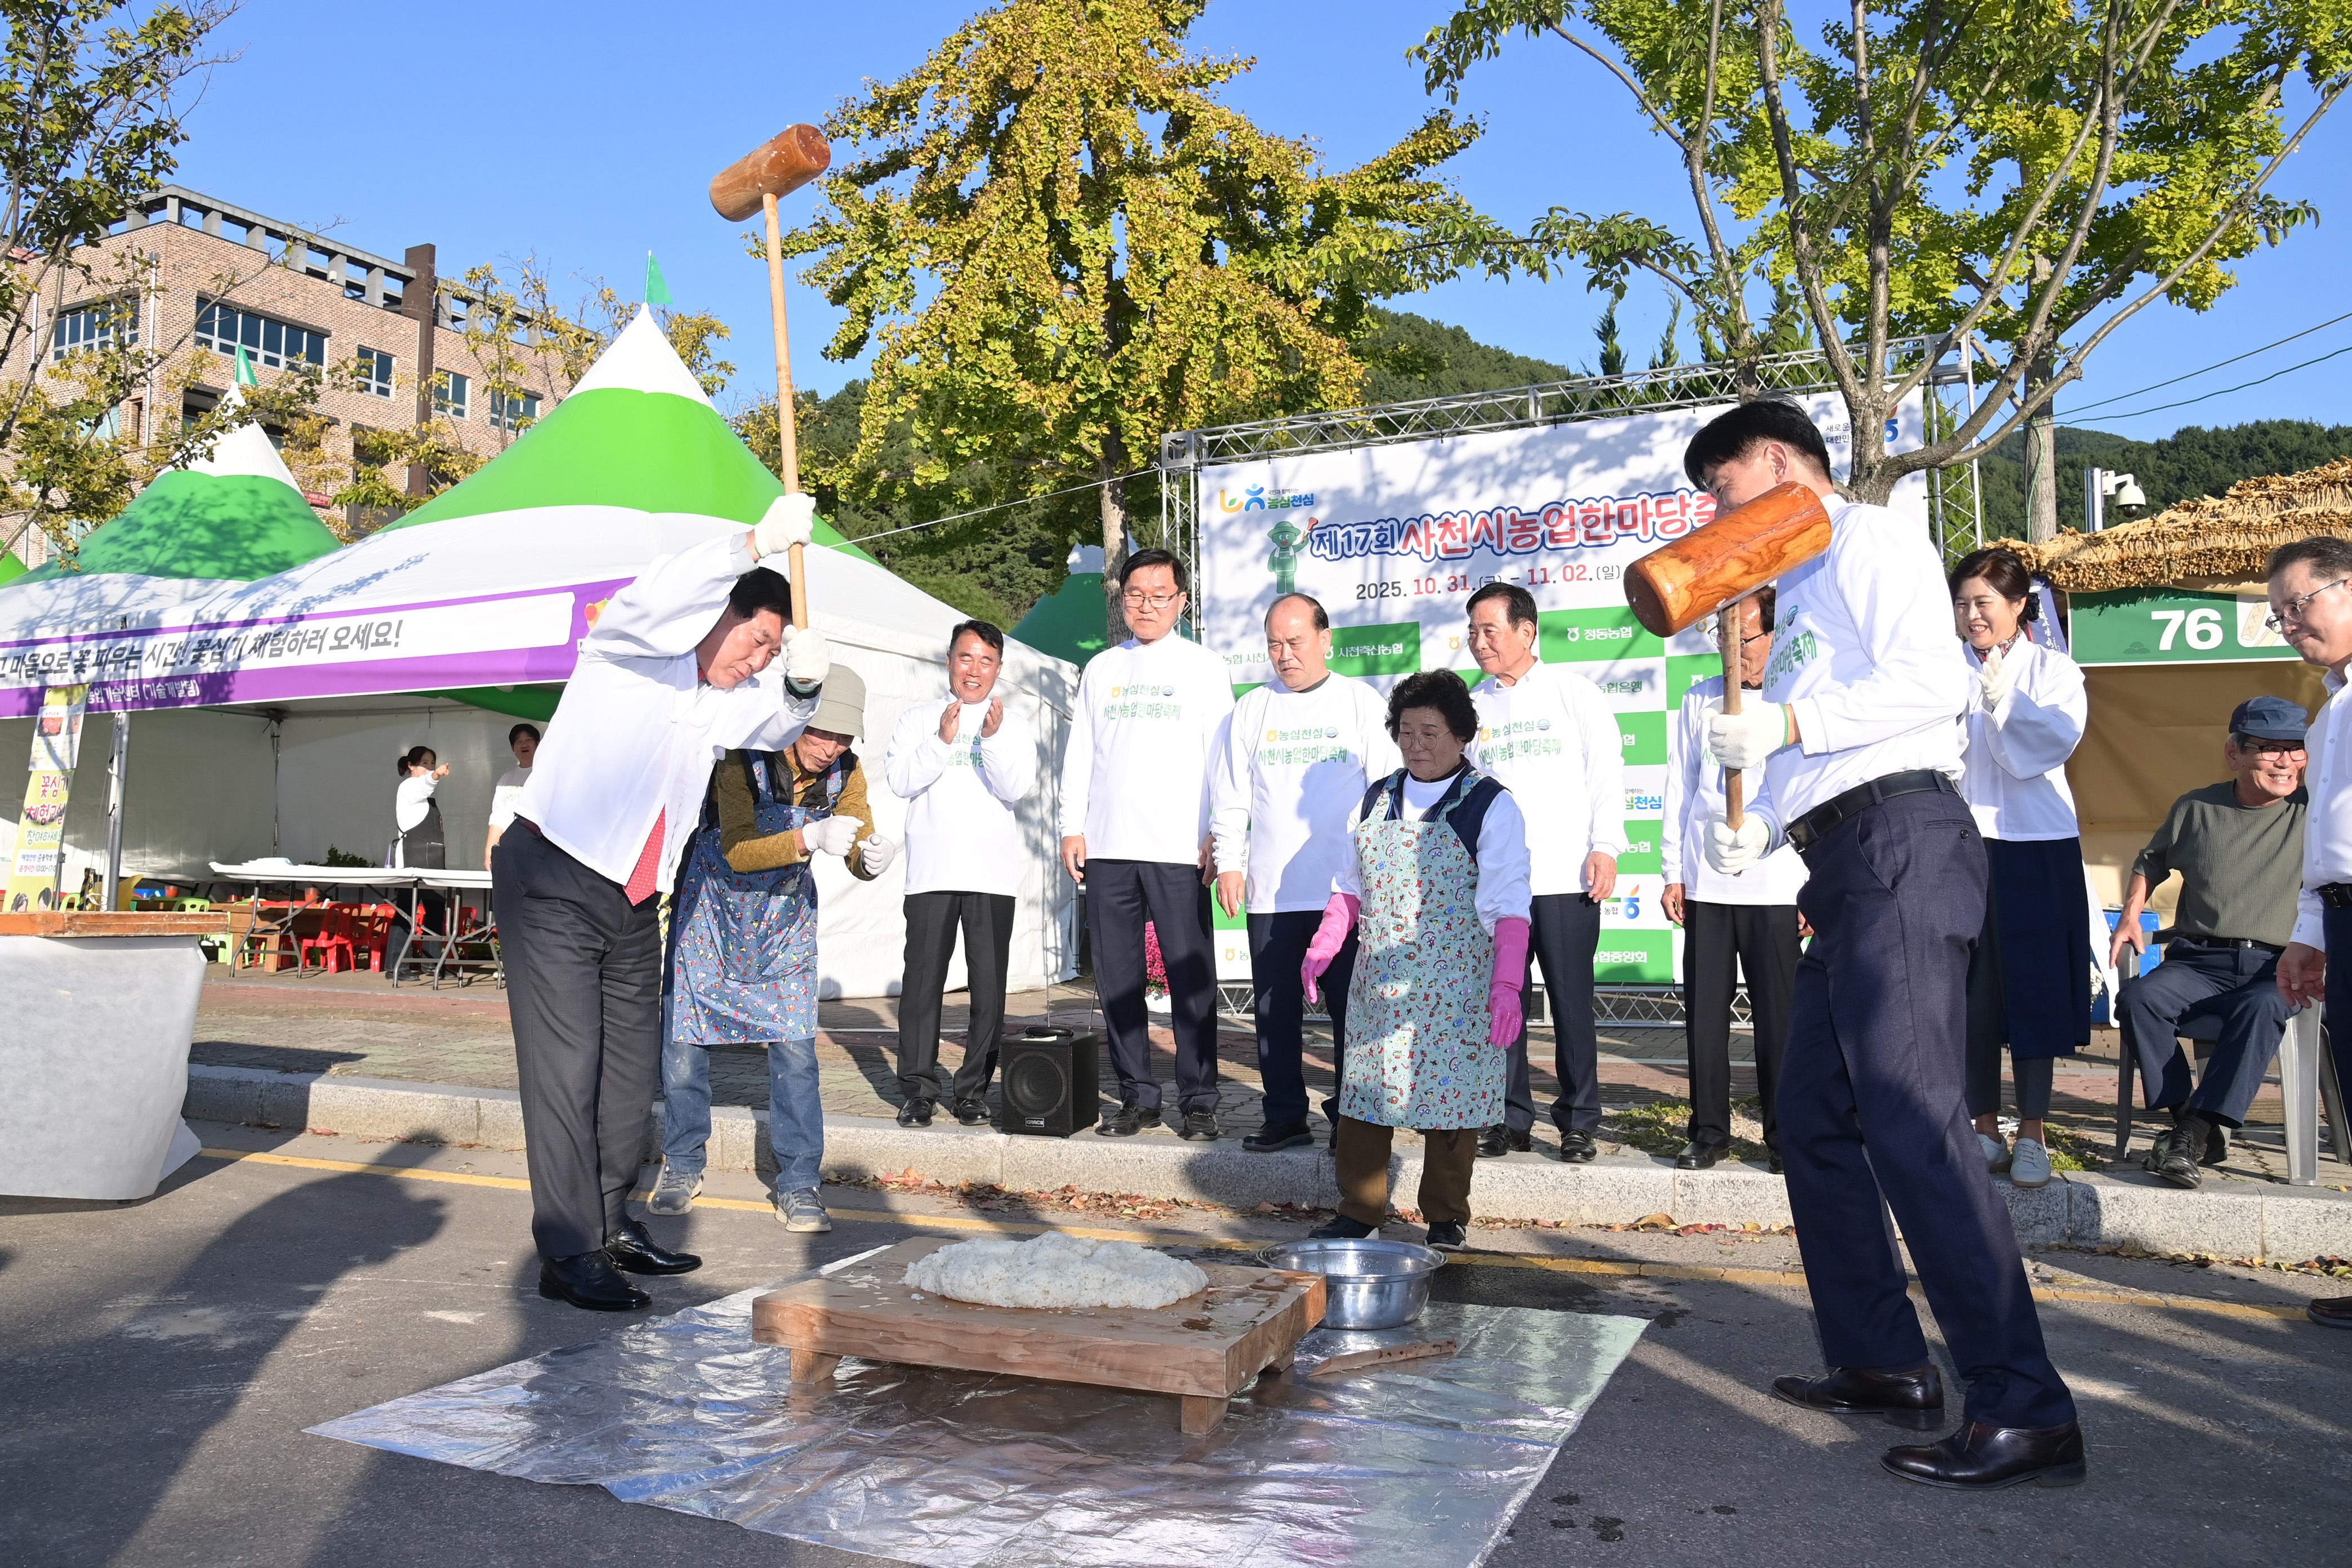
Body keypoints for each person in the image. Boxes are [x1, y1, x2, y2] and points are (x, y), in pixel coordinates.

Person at [1695, 399, 2081, 1489]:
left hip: (1905, 843)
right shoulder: (1804, 584)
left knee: (1917, 1118)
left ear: (1776, 463)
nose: (1714, 515)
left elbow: (1927, 685)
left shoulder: (1869, 541)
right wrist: (1762, 816)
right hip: (1844, 859)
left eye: (1720, 489)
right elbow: (1824, 731)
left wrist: (1788, 724)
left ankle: (2024, 1403)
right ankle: (1879, 1357)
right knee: (1813, 1114)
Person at [498, 495, 830, 1312]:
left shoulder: (716, 705)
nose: (755, 660)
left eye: (769, 650)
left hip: (634, 895)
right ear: (718, 616)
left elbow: (775, 720)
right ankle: (568, 1250)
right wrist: (754, 541)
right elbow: (660, 589)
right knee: (566, 1070)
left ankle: (610, 1222)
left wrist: (803, 684)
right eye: (757, 640)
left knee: (627, 1074)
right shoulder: (627, 651)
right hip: (554, 875)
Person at [647, 666, 895, 1232]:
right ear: (798, 720)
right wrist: (809, 837)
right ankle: (683, 1162)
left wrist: (868, 860)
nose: (829, 749)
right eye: (820, 734)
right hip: (711, 914)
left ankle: (801, 1182)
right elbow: (736, 848)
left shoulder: (845, 775)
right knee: (685, 1043)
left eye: (842, 738)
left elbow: (857, 842)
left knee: (795, 1052)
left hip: (784, 928)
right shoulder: (742, 758)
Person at [1302, 670, 1531, 1253]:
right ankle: (1360, 1208)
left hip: (1458, 981)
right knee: (1365, 1096)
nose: (1416, 745)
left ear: (1461, 736)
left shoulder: (1489, 805)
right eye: (1405, 732)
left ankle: (1446, 1216)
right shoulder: (1377, 798)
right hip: (1380, 979)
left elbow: (1510, 903)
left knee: (1452, 1101)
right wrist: (1326, 942)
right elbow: (1349, 886)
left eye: (1430, 732)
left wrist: (1507, 983)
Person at [1058, 547, 1236, 1139]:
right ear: (1122, 598)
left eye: (1161, 595)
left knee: (1190, 978)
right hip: (1109, 846)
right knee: (1118, 979)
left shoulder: (1205, 668)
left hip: (1180, 846)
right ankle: (1137, 1095)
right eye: (1136, 594)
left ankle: (1200, 1098)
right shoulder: (1103, 668)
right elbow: (1080, 751)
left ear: (1182, 602)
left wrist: (1218, 833)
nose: (1148, 605)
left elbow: (1224, 761)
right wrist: (1071, 825)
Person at [1210, 593, 1398, 1152]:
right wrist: (1229, 863)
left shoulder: (1361, 703)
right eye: (1273, 644)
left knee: (1352, 1013)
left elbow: (1388, 793)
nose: (1284, 654)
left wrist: (1378, 876)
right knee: (1274, 1012)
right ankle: (1285, 1114)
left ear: (1325, 639)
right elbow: (1231, 796)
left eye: (1295, 641)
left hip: (1345, 892)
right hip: (1273, 892)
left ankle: (1351, 1116)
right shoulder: (1251, 709)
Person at [2109, 696, 2306, 1190]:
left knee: (2263, 1007)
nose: (2285, 761)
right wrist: (2131, 913)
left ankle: (2191, 1133)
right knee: (2138, 1000)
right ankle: (2193, 1125)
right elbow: (2151, 860)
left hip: (2279, 966)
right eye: (2268, 749)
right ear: (2233, 753)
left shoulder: (2316, 812)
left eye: (2295, 749)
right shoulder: (2197, 807)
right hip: (2200, 960)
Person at [1463, 580, 1624, 1161]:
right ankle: (1509, 1118)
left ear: (1526, 631)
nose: (1479, 642)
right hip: (1501, 887)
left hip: (1564, 878)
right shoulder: (1472, 709)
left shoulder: (1573, 694)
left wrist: (1605, 846)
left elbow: (1605, 772)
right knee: (1502, 1001)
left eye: (1490, 630)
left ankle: (1579, 1119)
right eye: (1473, 632)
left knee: (1571, 1002)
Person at [1950, 547, 2091, 1192]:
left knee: (2034, 987)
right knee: (1972, 991)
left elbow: (2048, 745)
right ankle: (1982, 1125)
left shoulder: (2056, 672)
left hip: (2037, 843)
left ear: (2017, 606)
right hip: (1963, 842)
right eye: (1962, 603)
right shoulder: (1941, 670)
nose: (1972, 615)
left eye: (1984, 602)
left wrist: (2006, 700)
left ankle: (2033, 1131)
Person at [1661, 589, 1805, 1173]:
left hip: (1777, 883)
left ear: (1773, 636)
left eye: (1742, 638)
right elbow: (1679, 787)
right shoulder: (1700, 700)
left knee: (1781, 1018)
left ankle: (1785, 1134)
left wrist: (1813, 885)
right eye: (1723, 639)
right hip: (1709, 881)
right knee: (1705, 1015)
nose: (1732, 651)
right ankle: (1709, 1131)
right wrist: (1674, 872)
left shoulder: (1793, 700)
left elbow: (1811, 795)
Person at [884, 620, 1037, 1128]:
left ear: (999, 668)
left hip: (989, 876)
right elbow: (902, 781)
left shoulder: (1012, 723)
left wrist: (988, 739)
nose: (974, 670)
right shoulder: (918, 719)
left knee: (988, 989)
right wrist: (942, 740)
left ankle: (972, 1090)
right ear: (949, 660)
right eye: (965, 658)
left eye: (986, 661)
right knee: (922, 985)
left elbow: (1015, 788)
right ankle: (919, 1090)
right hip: (930, 873)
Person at [2261, 536, 2352, 1331]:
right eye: (2279, 613)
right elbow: (2327, 843)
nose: (2291, 623)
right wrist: (2308, 933)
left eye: (2302, 603)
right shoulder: (2328, 713)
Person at [387, 745, 449, 975]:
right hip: (412, 859)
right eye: (424, 764)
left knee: (435, 912)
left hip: (433, 859)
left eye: (432, 764)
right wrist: (436, 775)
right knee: (406, 912)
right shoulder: (409, 787)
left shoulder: (426, 799)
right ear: (411, 766)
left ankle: (432, 965)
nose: (429, 768)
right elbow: (424, 787)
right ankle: (396, 966)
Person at [484, 723, 540, 863]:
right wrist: (489, 851)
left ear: (538, 744)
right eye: (519, 741)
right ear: (513, 748)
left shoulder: (547, 774)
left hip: (540, 848)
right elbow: (498, 817)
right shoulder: (506, 779)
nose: (524, 744)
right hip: (512, 848)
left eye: (529, 740)